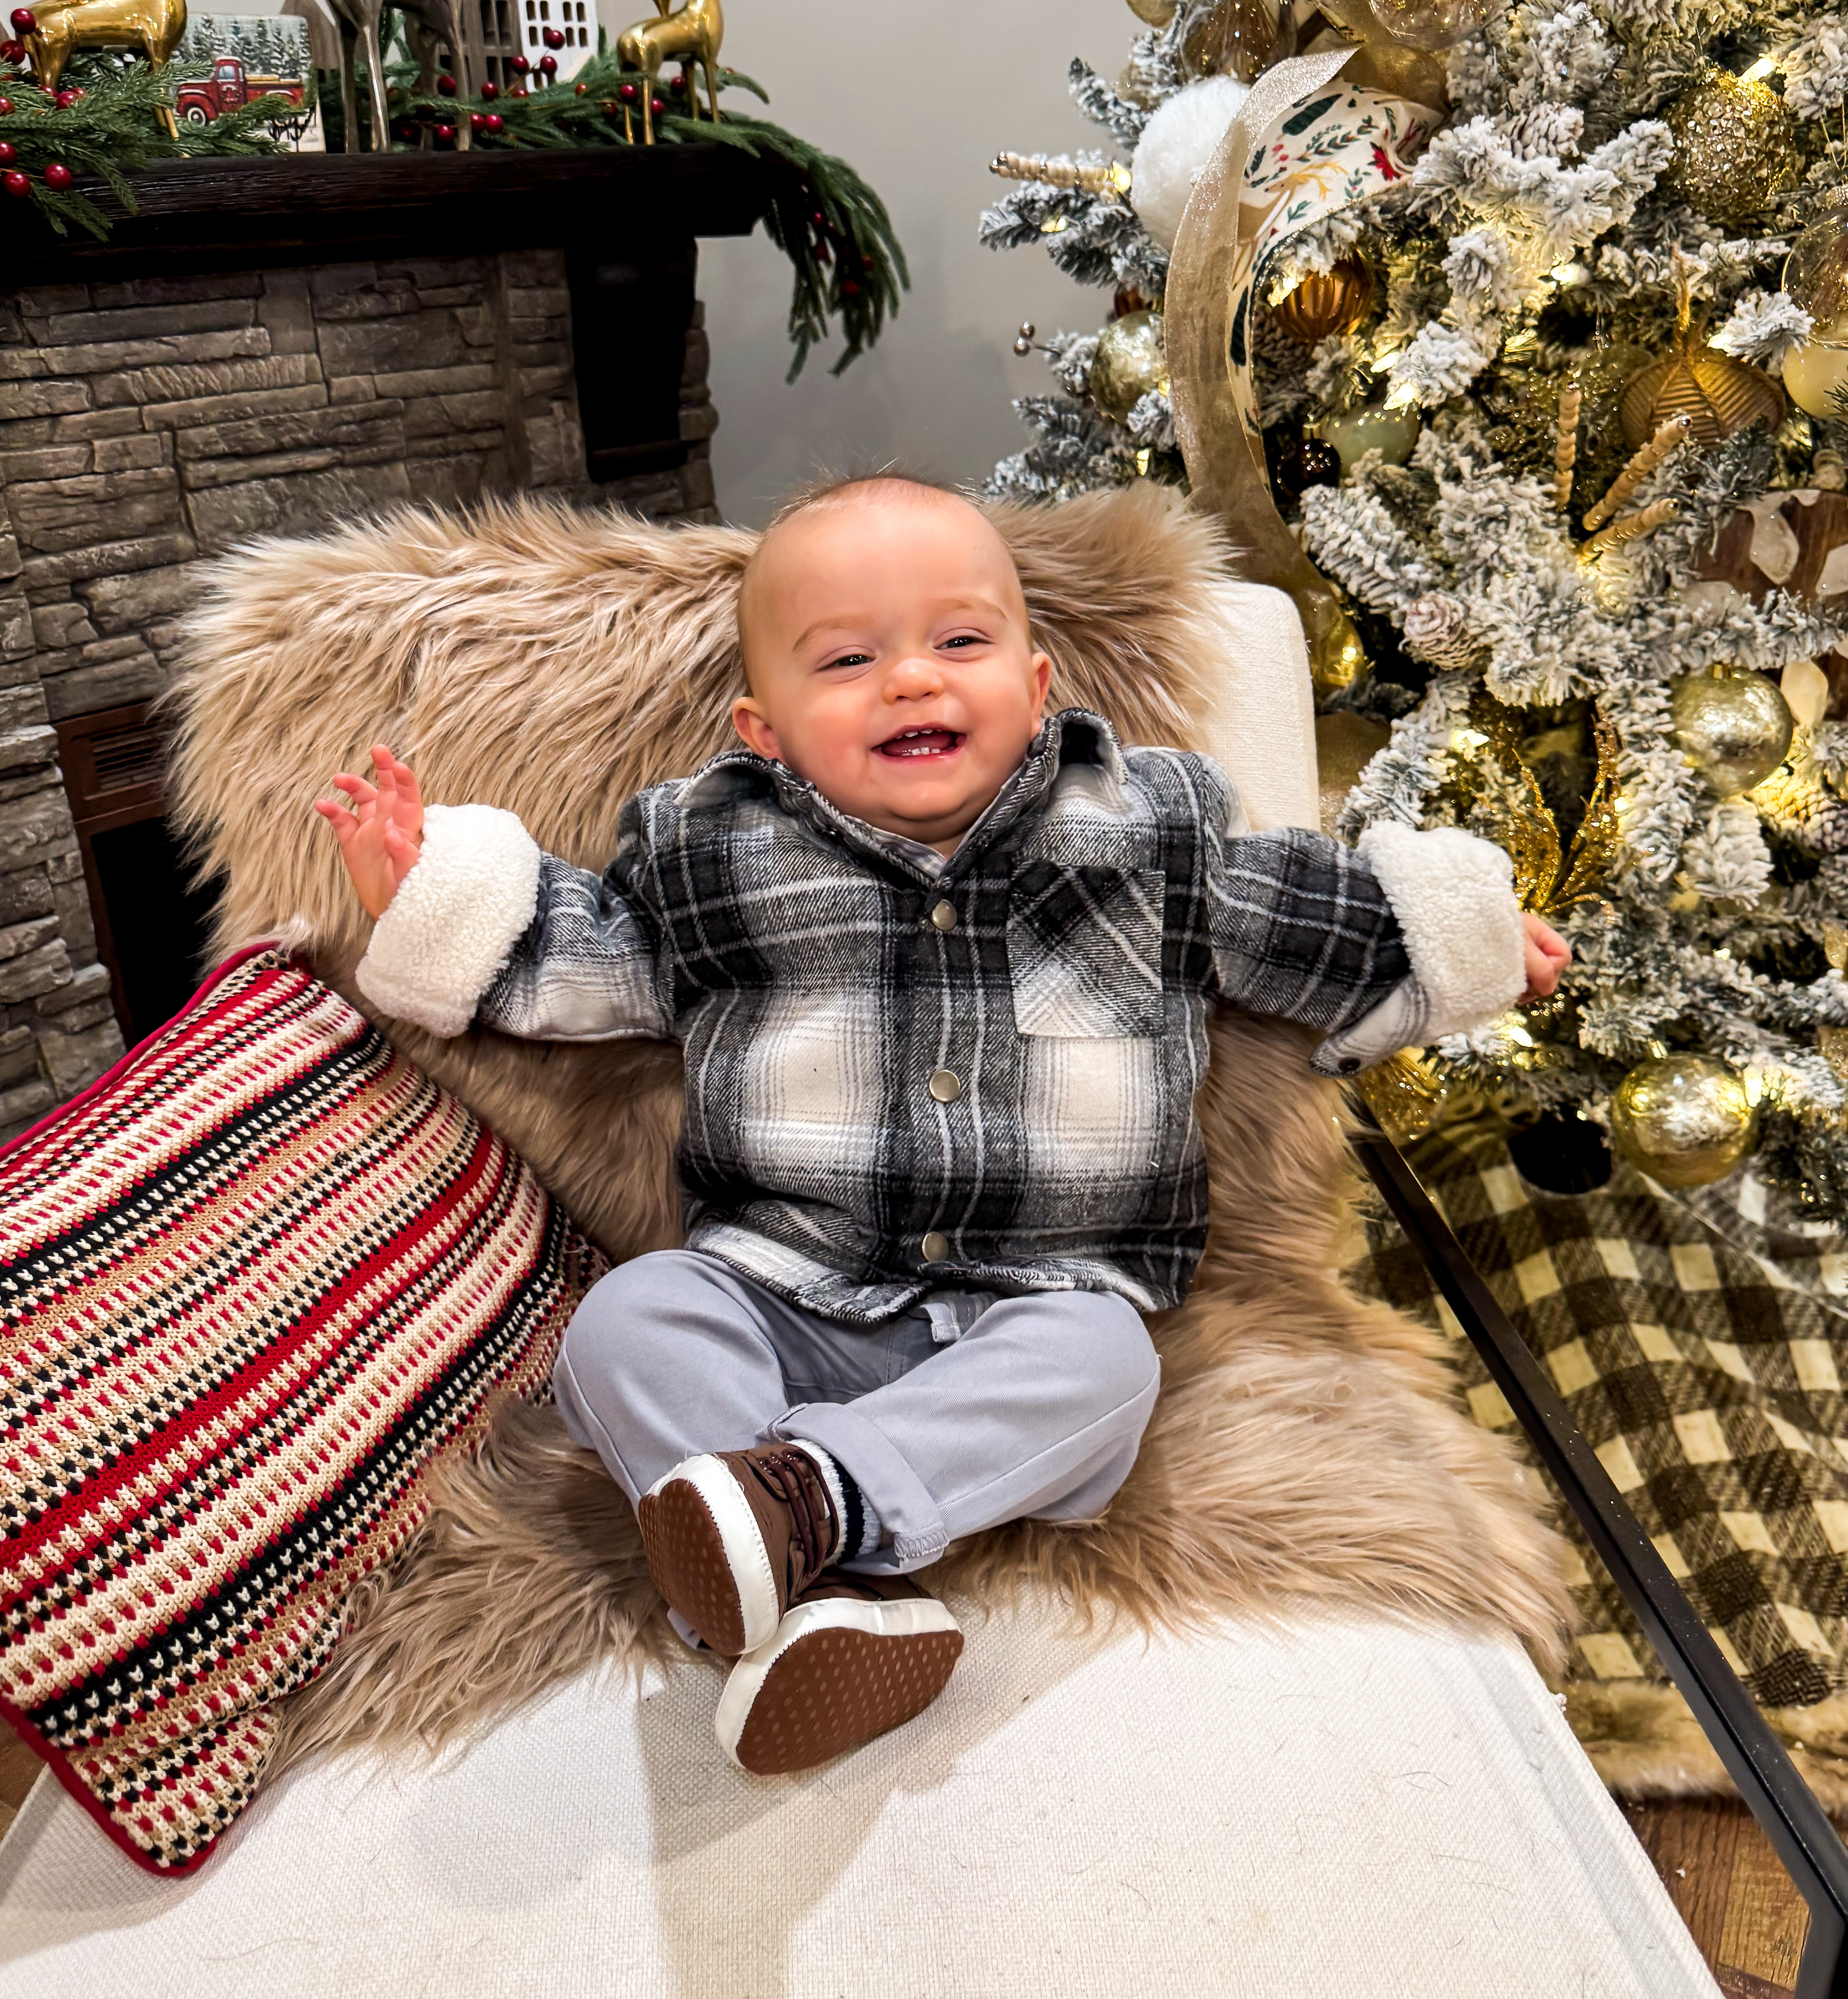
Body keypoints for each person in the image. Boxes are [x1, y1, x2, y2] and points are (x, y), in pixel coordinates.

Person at [319, 477, 1569, 1776]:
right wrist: (434, 902)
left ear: (1035, 689)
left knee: (1106, 1372)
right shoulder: (714, 856)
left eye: (958, 643)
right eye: (848, 660)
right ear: (765, 729)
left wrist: (1458, 943)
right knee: (630, 1320)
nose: (911, 680)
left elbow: (1303, 922)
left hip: (1032, 1305)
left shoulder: (1145, 839)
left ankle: (806, 1509)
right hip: (778, 1293)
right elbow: (590, 964)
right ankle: (815, 1605)